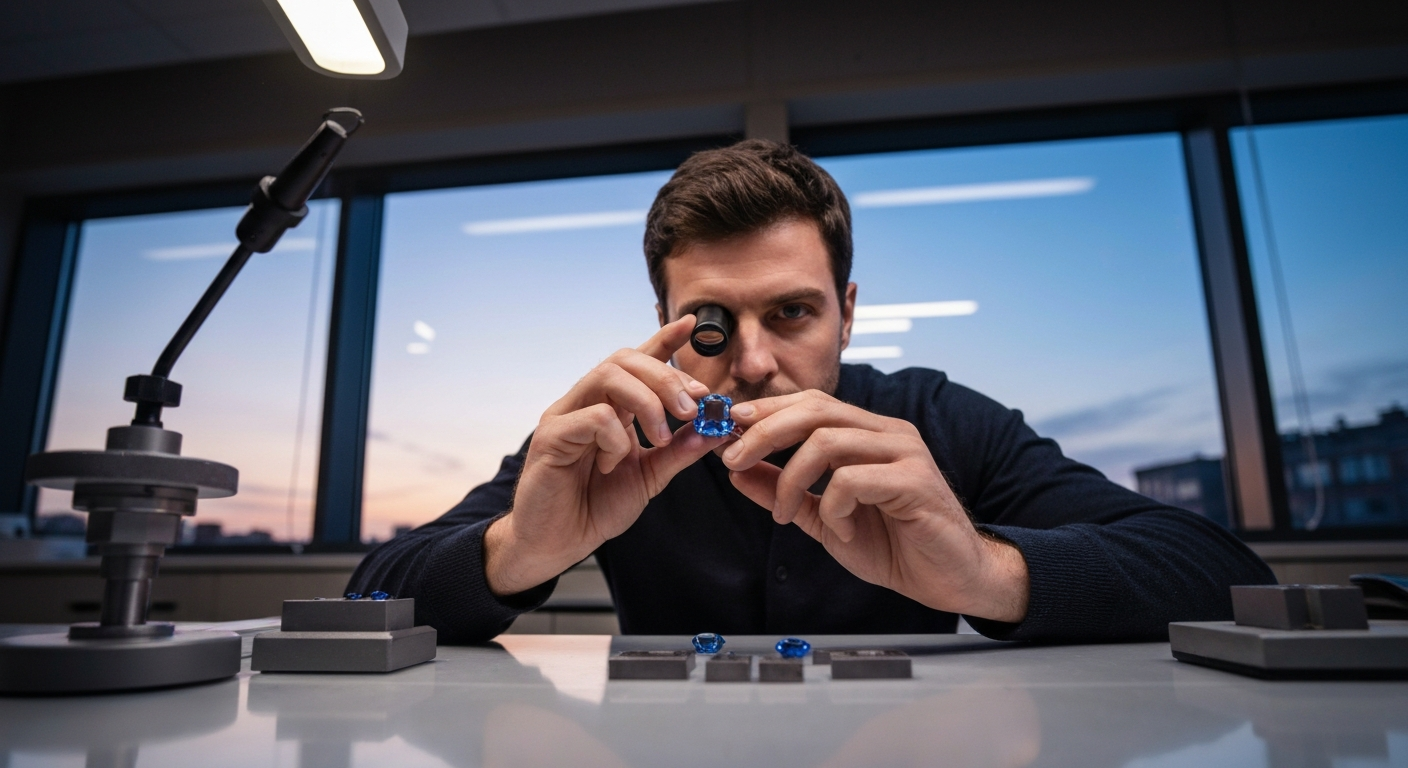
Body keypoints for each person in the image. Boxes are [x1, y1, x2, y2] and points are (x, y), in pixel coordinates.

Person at [349, 140, 1274, 643]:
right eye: (710, 323)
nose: (752, 363)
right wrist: (518, 549)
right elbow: (368, 595)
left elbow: (1227, 577)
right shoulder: (613, 435)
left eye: (792, 312)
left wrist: (987, 574)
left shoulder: (939, 420)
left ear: (848, 314)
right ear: (662, 321)